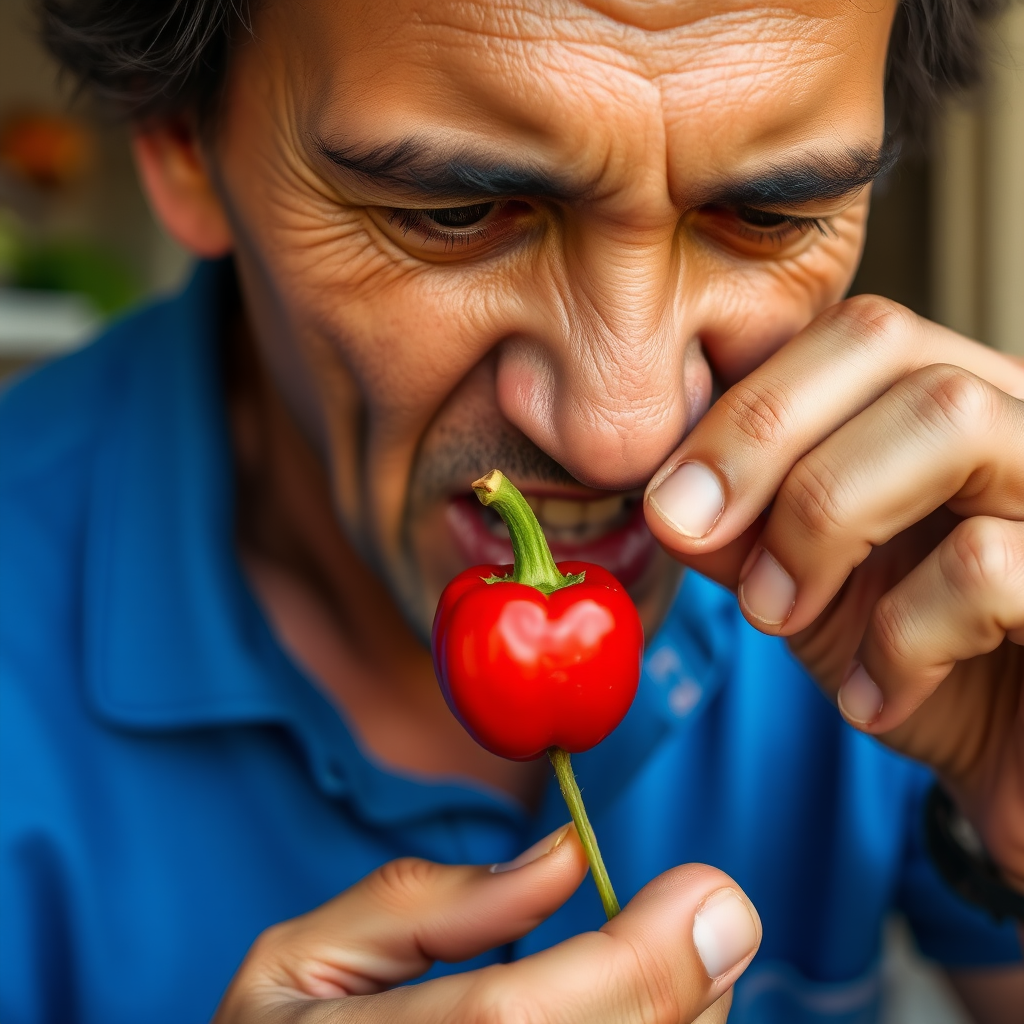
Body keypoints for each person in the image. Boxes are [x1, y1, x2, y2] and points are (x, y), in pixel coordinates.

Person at [2, 0, 1022, 1021]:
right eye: (451, 213)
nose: (622, 434)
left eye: (768, 217)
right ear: (183, 141)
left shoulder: (918, 572)